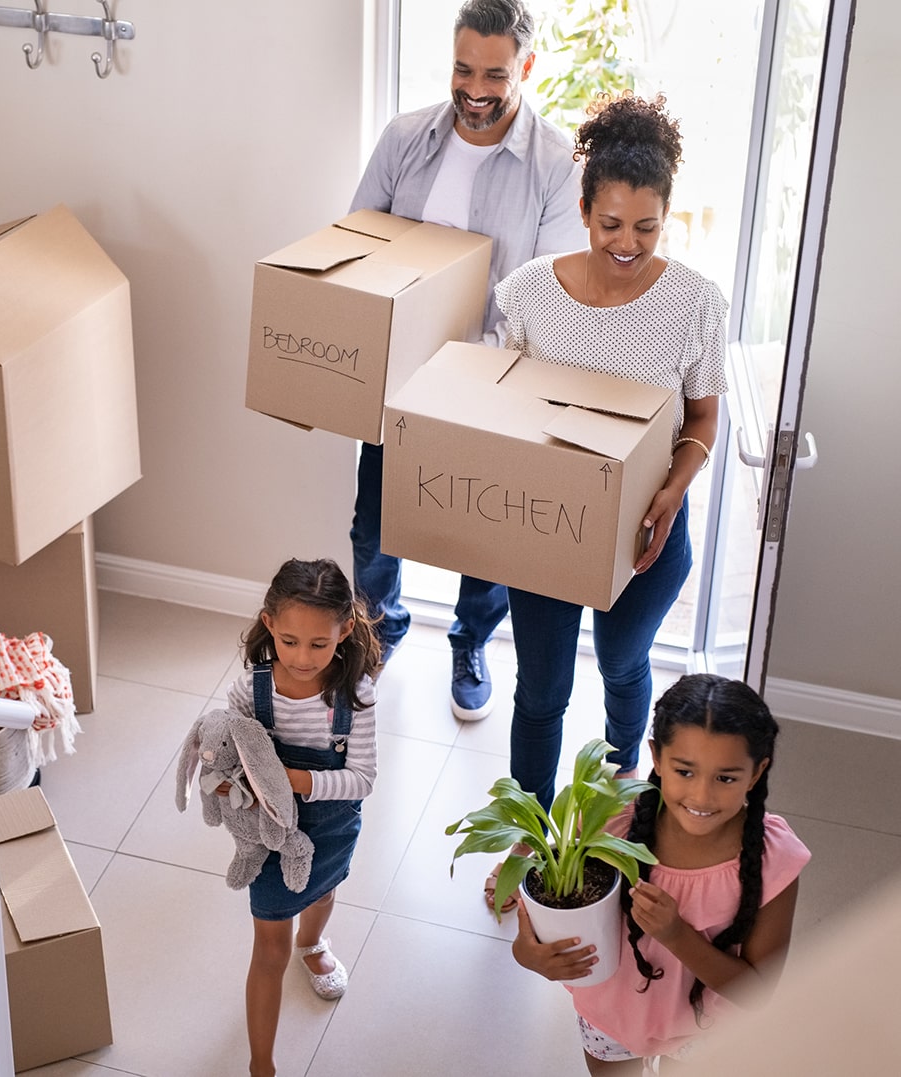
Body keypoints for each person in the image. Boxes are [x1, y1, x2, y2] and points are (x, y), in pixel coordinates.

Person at [486, 91, 728, 909]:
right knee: (543, 689)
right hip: (548, 534)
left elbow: (701, 417)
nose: (627, 244)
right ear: (584, 211)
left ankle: (626, 783)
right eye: (611, 224)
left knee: (625, 664)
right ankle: (525, 840)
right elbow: (500, 404)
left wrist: (669, 490)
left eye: (646, 228)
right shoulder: (527, 294)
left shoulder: (695, 303)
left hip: (650, 533)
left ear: (667, 220)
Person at [349, 0, 588, 721]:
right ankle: (378, 630)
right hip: (398, 378)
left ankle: (469, 640)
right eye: (462, 68)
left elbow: (544, 293)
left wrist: (469, 369)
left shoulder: (555, 163)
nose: (474, 88)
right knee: (373, 522)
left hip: (491, 383)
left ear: (527, 66)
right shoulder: (404, 139)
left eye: (494, 72)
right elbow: (358, 243)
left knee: (483, 536)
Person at [511, 674, 811, 1072]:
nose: (702, 796)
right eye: (685, 771)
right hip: (609, 1016)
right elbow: (545, 921)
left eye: (726, 778)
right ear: (656, 756)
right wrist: (529, 955)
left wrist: (676, 935)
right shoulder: (607, 824)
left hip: (707, 1031)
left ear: (756, 774)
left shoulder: (775, 861)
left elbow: (758, 992)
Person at [222, 558, 380, 1077]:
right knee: (269, 947)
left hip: (332, 825)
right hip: (271, 833)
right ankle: (261, 1065)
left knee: (324, 891)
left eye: (319, 643)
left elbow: (362, 779)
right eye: (289, 641)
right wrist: (227, 782)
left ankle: (312, 943)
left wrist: (297, 781)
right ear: (269, 624)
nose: (303, 657)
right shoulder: (250, 690)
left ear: (346, 630)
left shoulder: (354, 697)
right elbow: (229, 754)